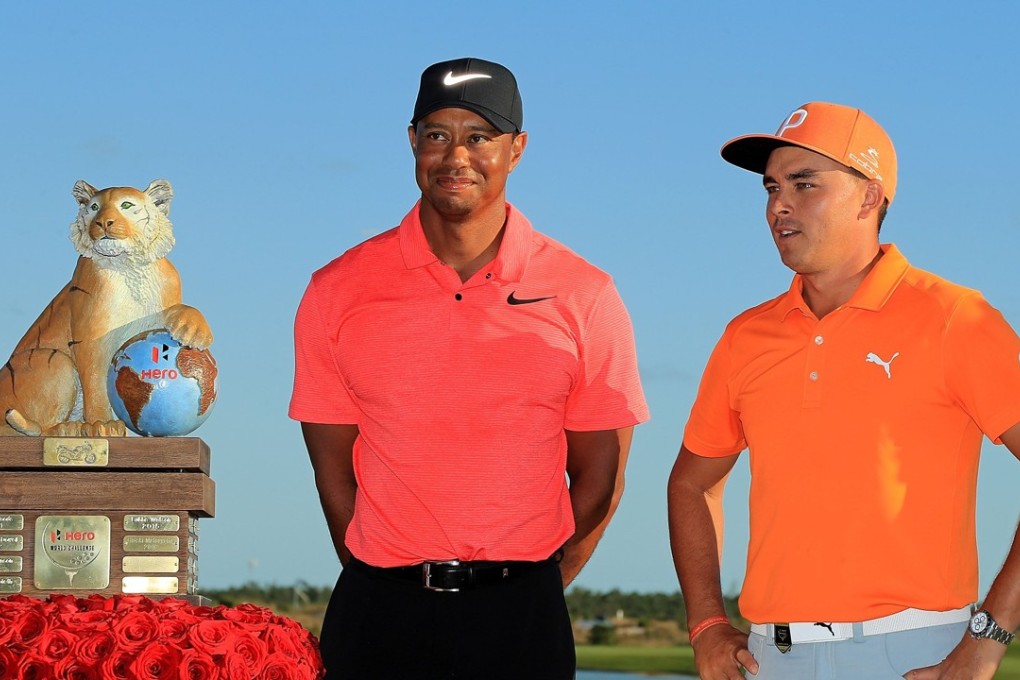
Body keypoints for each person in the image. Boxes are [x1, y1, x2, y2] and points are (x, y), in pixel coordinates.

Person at [290, 57, 648, 679]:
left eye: (479, 136)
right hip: (379, 615)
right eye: (437, 134)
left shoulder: (584, 293)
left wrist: (529, 586)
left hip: (522, 621)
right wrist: (389, 577)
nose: (456, 155)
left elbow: (600, 482)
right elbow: (333, 476)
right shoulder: (336, 290)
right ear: (412, 144)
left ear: (516, 149)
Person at [667, 101, 1020, 680]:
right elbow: (691, 483)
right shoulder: (744, 336)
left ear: (869, 197)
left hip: (917, 654)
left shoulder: (957, 317)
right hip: (769, 657)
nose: (779, 204)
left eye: (804, 184)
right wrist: (706, 624)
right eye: (772, 187)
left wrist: (990, 635)